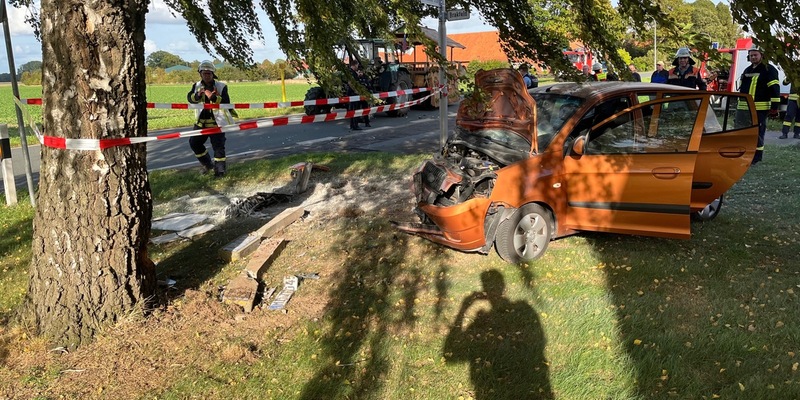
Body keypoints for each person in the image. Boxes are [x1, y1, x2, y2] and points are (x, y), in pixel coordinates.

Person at [187, 60, 234, 177]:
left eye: (209, 73)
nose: (206, 75)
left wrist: (213, 97)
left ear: (213, 74)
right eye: (204, 73)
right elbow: (190, 98)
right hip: (201, 122)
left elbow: (226, 103)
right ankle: (208, 165)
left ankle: (220, 172)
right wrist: (197, 95)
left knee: (218, 148)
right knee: (194, 143)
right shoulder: (196, 86)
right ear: (200, 74)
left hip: (217, 122)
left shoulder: (221, 86)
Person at [739, 45, 781, 164]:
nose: (752, 57)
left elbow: (774, 89)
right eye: (751, 55)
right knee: (745, 132)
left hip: (760, 108)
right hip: (744, 108)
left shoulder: (769, 69)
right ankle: (746, 154)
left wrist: (774, 108)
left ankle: (757, 157)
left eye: (755, 55)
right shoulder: (747, 70)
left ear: (762, 55)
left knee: (758, 132)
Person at [346, 59, 365, 130]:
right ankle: (355, 125)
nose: (357, 67)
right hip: (353, 94)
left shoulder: (351, 72)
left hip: (351, 93)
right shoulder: (352, 73)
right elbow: (351, 83)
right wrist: (356, 91)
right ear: (354, 65)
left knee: (352, 110)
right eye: (357, 65)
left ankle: (352, 125)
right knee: (355, 110)